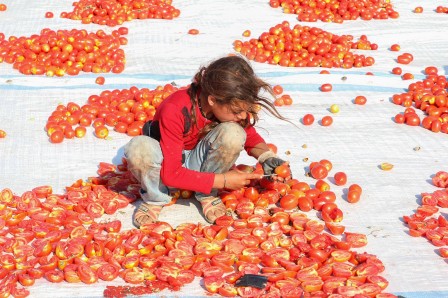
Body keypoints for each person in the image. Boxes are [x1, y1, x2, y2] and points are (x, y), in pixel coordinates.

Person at [124, 55, 290, 227]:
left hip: (199, 163)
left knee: (234, 133)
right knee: (139, 148)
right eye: (237, 111)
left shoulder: (227, 108)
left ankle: (207, 193)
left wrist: (267, 157)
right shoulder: (175, 109)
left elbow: (250, 135)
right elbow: (171, 173)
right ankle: (155, 197)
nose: (242, 116)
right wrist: (224, 180)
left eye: (245, 110)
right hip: (165, 163)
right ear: (212, 100)